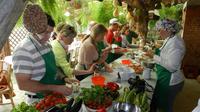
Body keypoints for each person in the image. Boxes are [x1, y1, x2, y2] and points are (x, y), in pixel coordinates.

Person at [12, 4, 72, 104]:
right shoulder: (23, 50)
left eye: (51, 33)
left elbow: (53, 68)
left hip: (54, 96)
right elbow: (23, 84)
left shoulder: (47, 45)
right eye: (45, 32)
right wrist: (55, 88)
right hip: (39, 100)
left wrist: (64, 78)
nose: (48, 37)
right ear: (35, 29)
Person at [150, 19, 186, 112]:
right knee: (159, 103)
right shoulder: (169, 38)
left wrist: (153, 56)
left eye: (160, 29)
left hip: (170, 80)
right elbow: (166, 54)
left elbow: (172, 66)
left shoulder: (176, 44)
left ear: (168, 30)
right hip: (164, 76)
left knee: (166, 107)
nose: (158, 32)